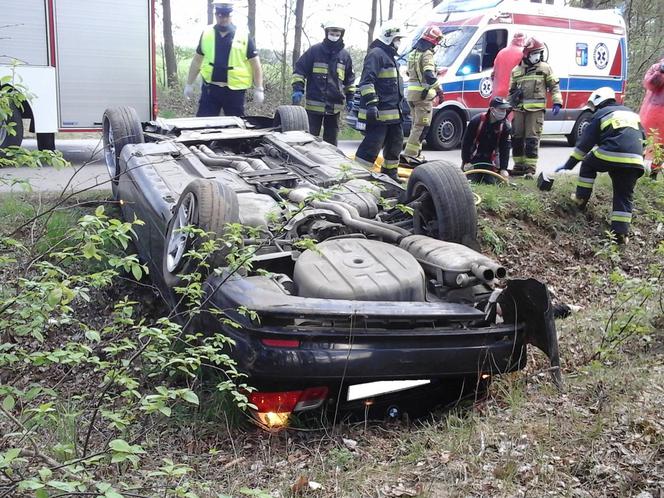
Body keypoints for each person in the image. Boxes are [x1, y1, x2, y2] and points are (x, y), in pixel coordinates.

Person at [555, 87, 645, 244]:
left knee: (588, 163)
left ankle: (580, 199)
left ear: (598, 102)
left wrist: (568, 165)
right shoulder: (632, 114)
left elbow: (584, 146)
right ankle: (620, 234)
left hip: (612, 153)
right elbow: (642, 138)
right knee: (624, 195)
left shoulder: (601, 114)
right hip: (635, 161)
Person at [183, 1, 264, 117]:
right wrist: (189, 84)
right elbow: (197, 61)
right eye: (220, 15)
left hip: (235, 92)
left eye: (226, 15)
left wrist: (259, 88)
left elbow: (256, 65)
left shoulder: (243, 35)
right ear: (216, 15)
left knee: (235, 128)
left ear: (231, 15)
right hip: (211, 90)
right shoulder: (207, 34)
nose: (223, 18)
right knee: (203, 125)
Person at [354, 20, 406, 181]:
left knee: (395, 143)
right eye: (397, 38)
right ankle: (360, 177)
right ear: (389, 37)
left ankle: (390, 174)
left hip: (393, 113)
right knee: (372, 145)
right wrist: (371, 104)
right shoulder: (376, 54)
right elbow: (366, 82)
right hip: (379, 112)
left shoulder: (390, 56)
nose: (399, 42)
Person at [291, 19, 355, 145]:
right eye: (332, 33)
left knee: (331, 143)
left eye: (337, 34)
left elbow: (349, 80)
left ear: (342, 35)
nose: (334, 36)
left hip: (335, 106)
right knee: (309, 140)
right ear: (326, 32)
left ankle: (330, 164)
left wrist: (350, 97)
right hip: (314, 105)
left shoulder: (345, 56)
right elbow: (299, 71)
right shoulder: (314, 51)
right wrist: (298, 89)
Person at [508, 37, 562, 176]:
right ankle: (518, 166)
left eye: (539, 53)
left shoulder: (545, 68)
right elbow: (511, 91)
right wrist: (508, 106)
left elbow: (554, 87)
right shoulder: (517, 70)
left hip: (536, 111)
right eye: (534, 53)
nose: (536, 56)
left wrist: (557, 102)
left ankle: (530, 169)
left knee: (532, 139)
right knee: (517, 138)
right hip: (519, 110)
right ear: (526, 54)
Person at [401, 26, 445, 165]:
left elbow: (410, 73)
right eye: (437, 40)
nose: (437, 43)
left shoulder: (413, 53)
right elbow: (428, 74)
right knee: (422, 126)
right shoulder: (427, 54)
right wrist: (439, 90)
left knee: (416, 126)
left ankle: (414, 153)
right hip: (423, 96)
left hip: (412, 95)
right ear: (433, 40)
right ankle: (410, 155)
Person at [461, 97, 512, 183]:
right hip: (473, 159)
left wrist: (503, 169)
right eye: (501, 109)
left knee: (492, 182)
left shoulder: (505, 127)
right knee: (470, 181)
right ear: (492, 109)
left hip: (490, 160)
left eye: (505, 110)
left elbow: (505, 149)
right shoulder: (477, 121)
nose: (504, 112)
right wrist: (466, 161)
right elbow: (466, 143)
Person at [639, 56, 664, 180]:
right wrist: (660, 71)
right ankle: (639, 172)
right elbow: (650, 84)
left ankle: (652, 176)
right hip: (652, 114)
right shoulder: (656, 68)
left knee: (660, 148)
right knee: (647, 143)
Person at [491, 32, 526, 99]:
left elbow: (493, 74)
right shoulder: (523, 54)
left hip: (498, 93)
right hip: (513, 94)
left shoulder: (501, 52)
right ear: (523, 40)